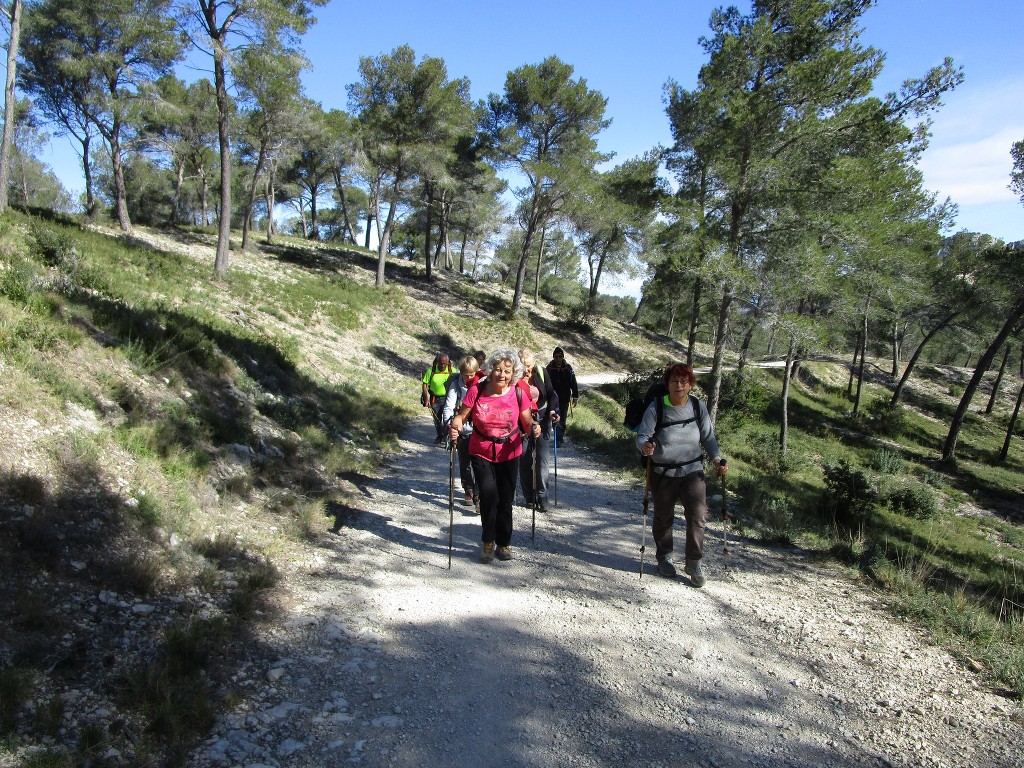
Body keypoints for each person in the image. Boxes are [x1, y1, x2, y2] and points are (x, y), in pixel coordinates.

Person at [635, 362, 727, 588]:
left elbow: (708, 437)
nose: (679, 385)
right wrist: (645, 447)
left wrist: (716, 459)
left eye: (684, 382)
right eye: (675, 381)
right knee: (663, 516)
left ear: (690, 384)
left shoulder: (697, 407)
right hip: (662, 471)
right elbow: (641, 436)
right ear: (667, 384)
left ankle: (694, 562)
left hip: (693, 471)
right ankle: (664, 556)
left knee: (697, 516)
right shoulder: (657, 407)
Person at [448, 348, 541, 563]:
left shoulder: (518, 393)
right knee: (489, 496)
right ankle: (488, 541)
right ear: (490, 370)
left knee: (506, 499)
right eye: (498, 370)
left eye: (507, 371)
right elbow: (462, 416)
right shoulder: (477, 391)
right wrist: (456, 425)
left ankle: (504, 543)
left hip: (509, 452)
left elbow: (527, 423)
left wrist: (535, 428)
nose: (502, 375)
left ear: (514, 373)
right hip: (481, 450)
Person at [518, 348, 560, 513]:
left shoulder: (541, 373)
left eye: (529, 365)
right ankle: (529, 497)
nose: (527, 369)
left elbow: (552, 394)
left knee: (542, 460)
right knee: (525, 459)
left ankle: (542, 497)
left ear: (534, 363)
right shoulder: (515, 377)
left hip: (542, 419)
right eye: (523, 366)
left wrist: (553, 411)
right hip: (522, 422)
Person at [442, 355, 481, 513]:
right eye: (466, 375)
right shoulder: (455, 386)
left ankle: (479, 496)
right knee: (465, 464)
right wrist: (449, 425)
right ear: (461, 373)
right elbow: (448, 406)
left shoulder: (481, 386)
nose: (469, 378)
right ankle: (468, 490)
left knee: (479, 465)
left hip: (478, 432)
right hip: (461, 431)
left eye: (472, 375)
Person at [546, 347, 578, 447]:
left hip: (564, 398)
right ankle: (554, 436)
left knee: (562, 419)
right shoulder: (549, 368)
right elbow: (544, 383)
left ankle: (559, 439)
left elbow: (573, 383)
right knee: (553, 417)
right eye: (556, 356)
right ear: (553, 357)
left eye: (560, 356)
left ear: (563, 357)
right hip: (552, 398)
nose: (558, 358)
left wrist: (575, 396)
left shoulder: (568, 368)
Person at [421, 353, 455, 445]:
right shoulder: (431, 370)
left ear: (448, 362)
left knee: (448, 418)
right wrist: (426, 399)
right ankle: (440, 436)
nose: (442, 365)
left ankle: (448, 437)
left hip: (448, 398)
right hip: (434, 399)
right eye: (440, 363)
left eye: (444, 363)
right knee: (437, 419)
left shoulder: (453, 371)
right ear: (437, 362)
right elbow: (425, 384)